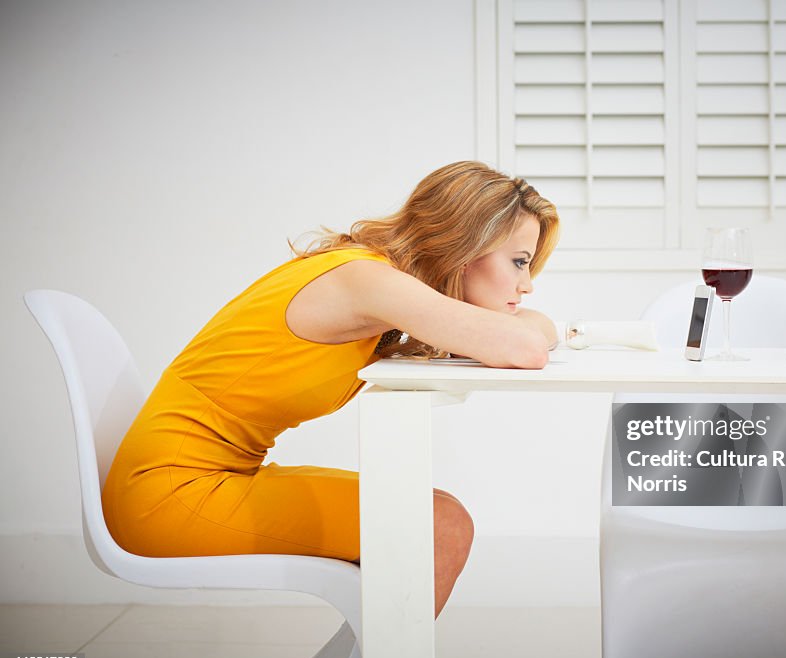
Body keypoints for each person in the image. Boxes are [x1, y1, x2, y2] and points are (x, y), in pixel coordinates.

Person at [101, 161, 560, 617]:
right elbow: (527, 345)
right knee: (440, 526)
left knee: (436, 510)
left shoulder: (371, 281)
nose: (528, 284)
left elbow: (529, 335)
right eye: (519, 262)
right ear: (466, 243)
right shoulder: (366, 282)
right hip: (169, 494)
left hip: (206, 477)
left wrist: (528, 329)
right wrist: (529, 330)